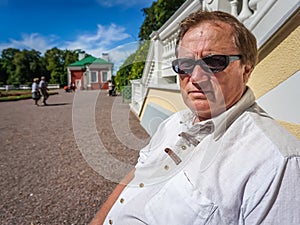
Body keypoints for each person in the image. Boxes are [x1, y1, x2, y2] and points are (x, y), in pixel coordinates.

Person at [91, 11, 300, 224]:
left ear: (246, 70)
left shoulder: (276, 163)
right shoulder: (173, 123)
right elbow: (137, 174)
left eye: (214, 62)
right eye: (185, 65)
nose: (196, 77)